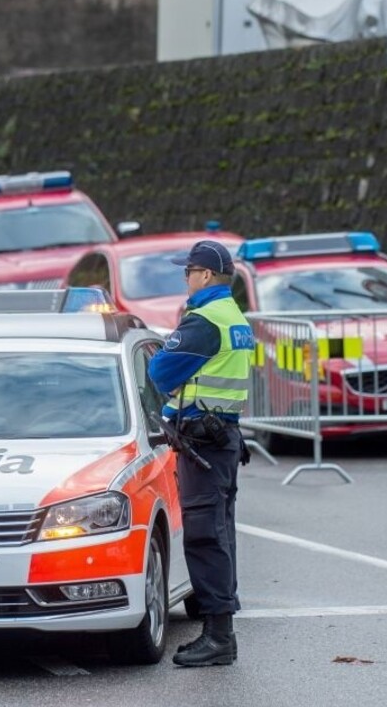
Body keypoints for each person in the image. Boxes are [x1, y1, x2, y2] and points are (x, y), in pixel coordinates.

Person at [148, 239, 254, 668]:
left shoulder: (204, 321)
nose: (185, 279)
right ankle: (221, 620)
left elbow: (159, 371)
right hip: (224, 437)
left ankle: (218, 636)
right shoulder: (234, 317)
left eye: (187, 272)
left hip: (204, 442)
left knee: (205, 537)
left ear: (205, 275)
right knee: (220, 532)